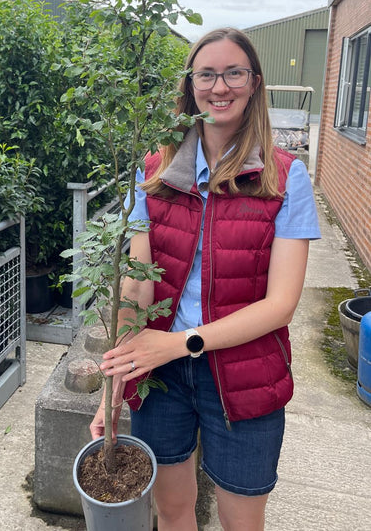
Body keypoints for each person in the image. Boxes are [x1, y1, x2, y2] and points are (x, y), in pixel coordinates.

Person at [89, 27, 321, 531]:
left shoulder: (284, 178)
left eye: (234, 73)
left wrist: (177, 345)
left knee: (241, 521)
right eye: (207, 74)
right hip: (162, 378)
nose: (220, 87)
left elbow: (280, 305)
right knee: (172, 512)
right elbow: (136, 284)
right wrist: (115, 382)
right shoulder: (153, 172)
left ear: (255, 83)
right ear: (190, 86)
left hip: (244, 375)